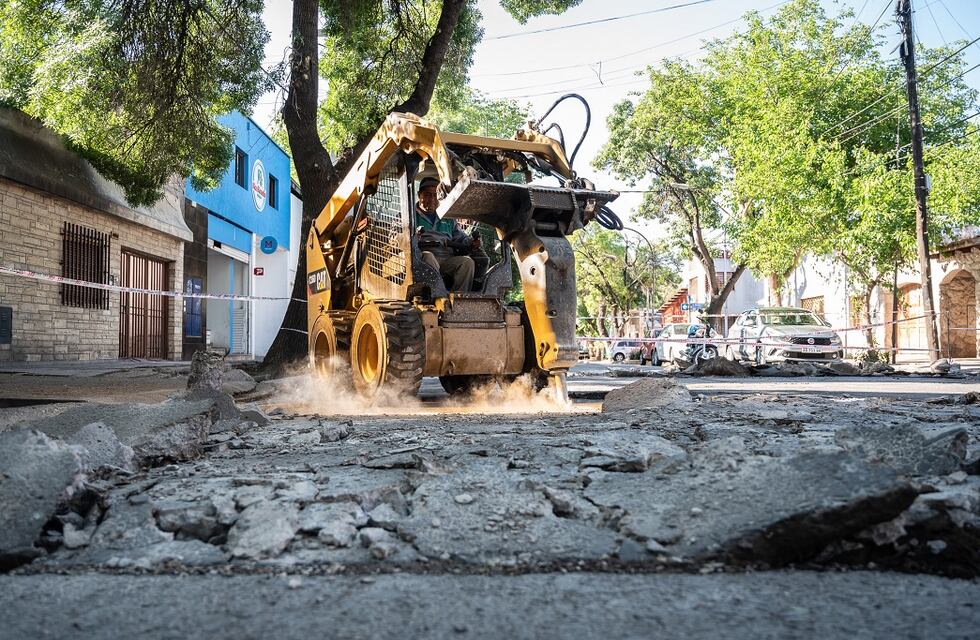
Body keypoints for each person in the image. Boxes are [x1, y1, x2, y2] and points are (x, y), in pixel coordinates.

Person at [414, 177, 487, 291]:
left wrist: (471, 242)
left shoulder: (447, 218)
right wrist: (414, 237)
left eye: (435, 195)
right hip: (421, 258)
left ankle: (459, 300)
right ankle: (438, 294)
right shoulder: (408, 215)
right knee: (428, 256)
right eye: (427, 195)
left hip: (446, 258)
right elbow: (395, 236)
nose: (432, 199)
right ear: (419, 195)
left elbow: (460, 237)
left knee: (466, 262)